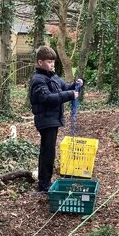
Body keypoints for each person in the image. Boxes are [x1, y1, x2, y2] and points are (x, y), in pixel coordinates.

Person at [29, 45, 83, 193]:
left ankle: (44, 181)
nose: (52, 65)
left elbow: (64, 87)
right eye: (49, 62)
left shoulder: (52, 76)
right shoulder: (38, 80)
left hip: (52, 119)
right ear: (40, 62)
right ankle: (44, 184)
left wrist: (75, 85)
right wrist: (70, 95)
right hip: (46, 120)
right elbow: (47, 98)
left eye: (53, 62)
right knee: (48, 152)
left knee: (48, 150)